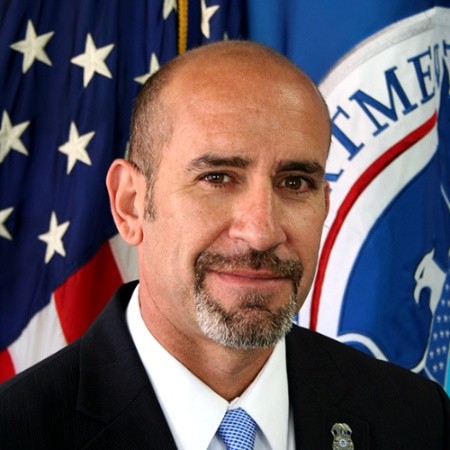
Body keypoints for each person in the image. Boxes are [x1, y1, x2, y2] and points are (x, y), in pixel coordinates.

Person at [0, 41, 449, 450]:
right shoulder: (18, 432)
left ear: (324, 204)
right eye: (217, 178)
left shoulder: (417, 420)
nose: (261, 232)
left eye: (295, 182)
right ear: (131, 204)